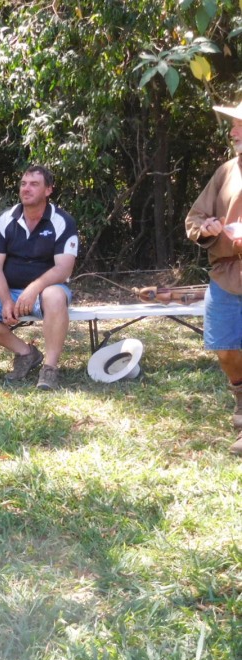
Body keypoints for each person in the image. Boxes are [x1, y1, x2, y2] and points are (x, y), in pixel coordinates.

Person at [0, 165, 79, 390]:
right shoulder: (5, 219)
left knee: (54, 296)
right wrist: (6, 300)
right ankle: (26, 353)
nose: (26, 189)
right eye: (23, 184)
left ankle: (50, 369)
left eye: (34, 184)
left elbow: (63, 269)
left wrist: (34, 288)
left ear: (48, 190)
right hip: (11, 290)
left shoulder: (62, 221)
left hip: (47, 291)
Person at [185, 101, 242, 456]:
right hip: (225, 276)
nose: (233, 132)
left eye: (239, 126)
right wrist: (206, 228)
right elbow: (196, 216)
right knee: (224, 349)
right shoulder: (226, 171)